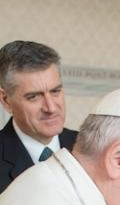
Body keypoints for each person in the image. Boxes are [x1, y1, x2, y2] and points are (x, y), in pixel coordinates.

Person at [0, 40, 77, 193]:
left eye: (55, 91)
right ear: (6, 100)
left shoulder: (90, 148)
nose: (51, 108)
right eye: (34, 97)